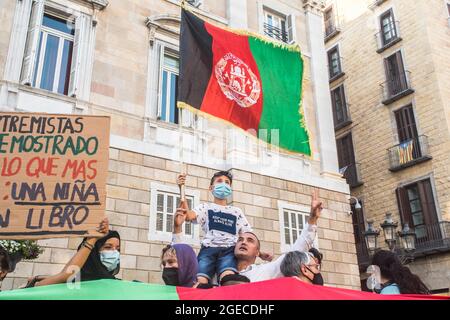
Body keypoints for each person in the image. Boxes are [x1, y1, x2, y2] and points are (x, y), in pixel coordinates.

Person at [173, 188, 322, 283]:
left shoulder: (266, 271)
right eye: (239, 239)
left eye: (250, 240)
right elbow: (178, 262)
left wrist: (313, 219)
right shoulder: (210, 272)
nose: (243, 242)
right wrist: (177, 227)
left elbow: (296, 251)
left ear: (257, 252)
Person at [176, 171, 272, 286]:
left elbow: (248, 236)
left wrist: (260, 253)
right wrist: (182, 188)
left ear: (230, 189)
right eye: (220, 181)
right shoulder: (205, 208)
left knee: (228, 276)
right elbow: (189, 215)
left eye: (227, 182)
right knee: (200, 279)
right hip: (208, 250)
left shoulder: (237, 212)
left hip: (229, 251)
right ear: (211, 188)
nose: (224, 184)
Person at [23, 218, 118, 287]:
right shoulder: (73, 284)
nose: (114, 253)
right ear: (93, 252)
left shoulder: (116, 284)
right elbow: (65, 276)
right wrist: (92, 239)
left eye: (118, 249)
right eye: (108, 247)